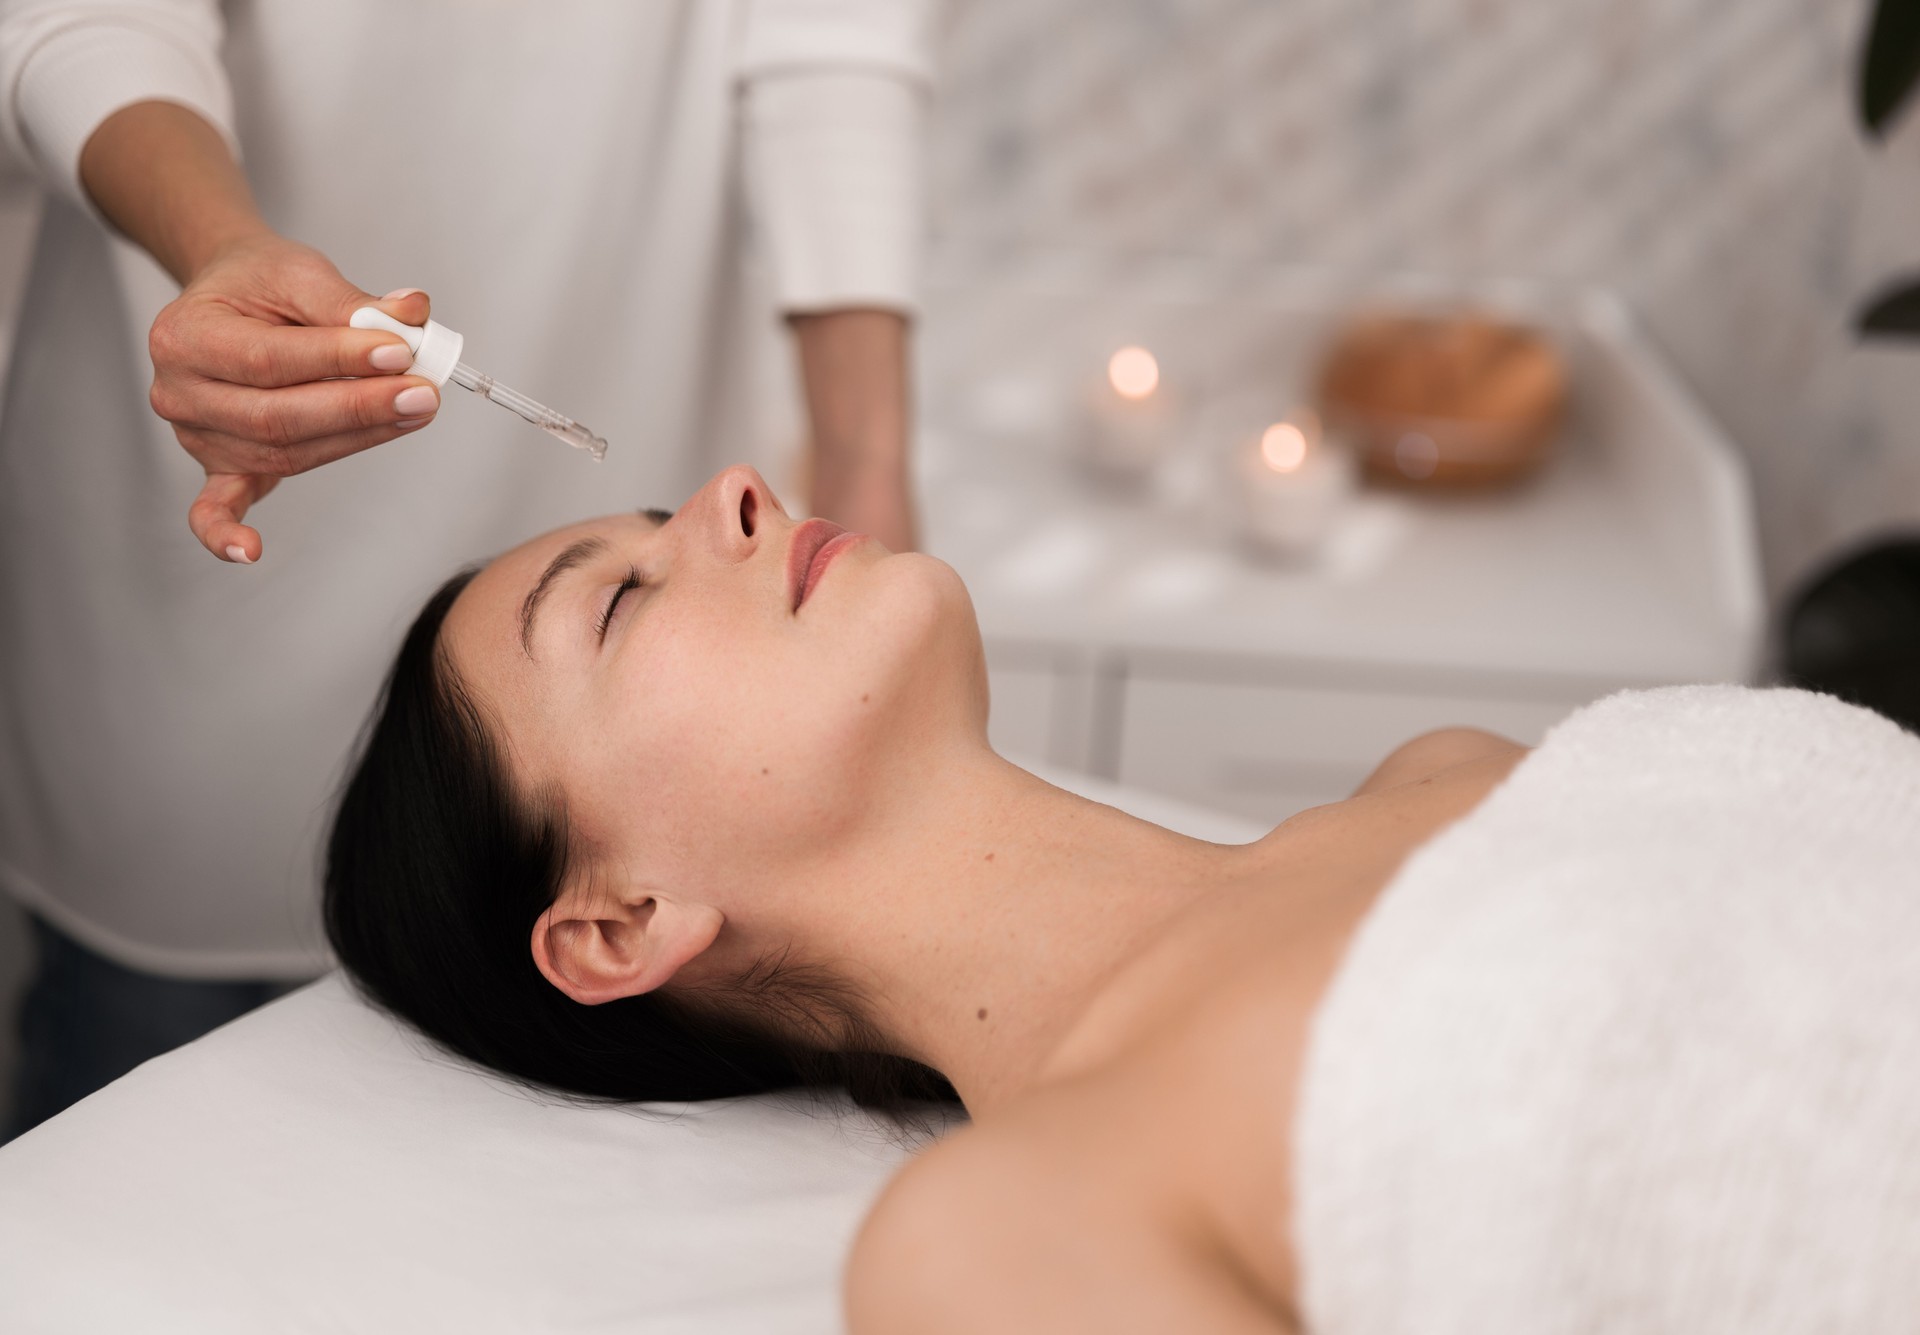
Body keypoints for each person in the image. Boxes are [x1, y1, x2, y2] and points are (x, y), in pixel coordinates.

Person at [326, 463, 1920, 1331]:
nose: (735, 491)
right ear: (622, 921)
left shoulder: (1446, 771)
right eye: (613, 599)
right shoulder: (997, 1243)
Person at [0, 1, 933, 1139]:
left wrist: (866, 460)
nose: (744, 489)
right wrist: (219, 247)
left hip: (627, 367)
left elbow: (833, 43)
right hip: (186, 634)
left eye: (627, 581)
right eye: (623, 593)